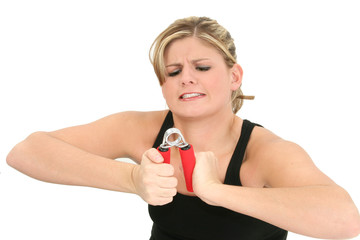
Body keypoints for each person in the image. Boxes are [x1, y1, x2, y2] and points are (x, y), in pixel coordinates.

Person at [6, 16, 360, 240]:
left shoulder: (265, 152)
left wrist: (216, 191)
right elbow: (26, 152)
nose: (186, 77)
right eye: (173, 71)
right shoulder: (141, 128)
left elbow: (345, 222)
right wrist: (132, 180)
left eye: (202, 67)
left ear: (234, 76)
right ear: (164, 85)